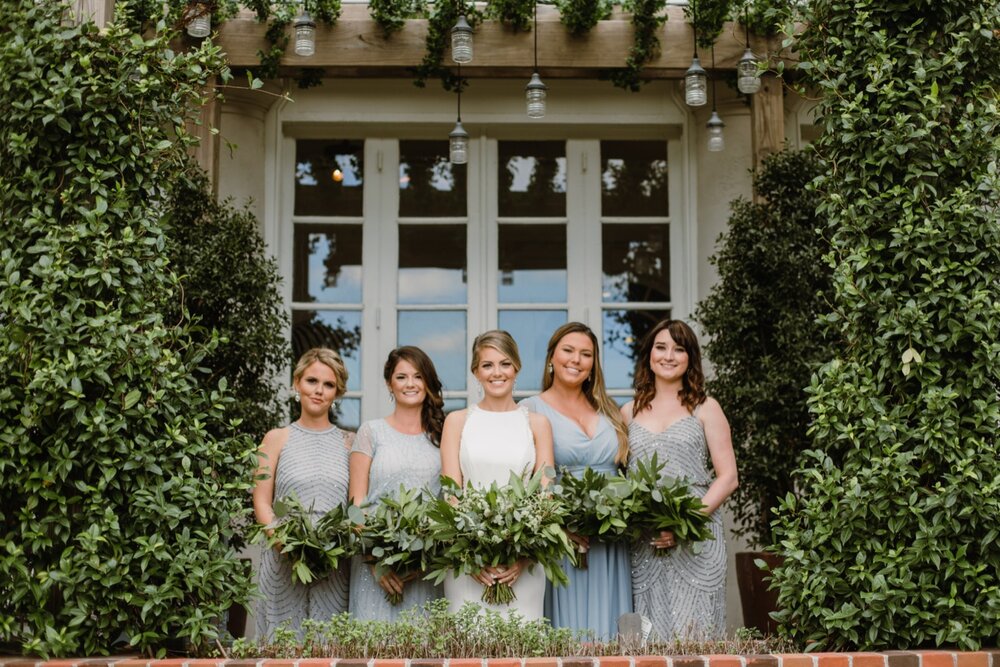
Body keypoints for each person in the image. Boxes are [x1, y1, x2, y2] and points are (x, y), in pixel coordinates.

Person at [620, 320, 738, 641]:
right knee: (648, 636)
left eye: (679, 349)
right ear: (648, 355)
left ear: (690, 358)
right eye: (661, 347)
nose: (668, 356)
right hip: (646, 540)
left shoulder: (705, 407)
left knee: (696, 634)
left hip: (697, 536)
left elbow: (727, 478)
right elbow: (619, 478)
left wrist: (683, 522)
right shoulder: (628, 412)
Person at [520, 322, 633, 639]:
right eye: (568, 350)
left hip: (612, 541)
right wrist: (558, 527)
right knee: (572, 636)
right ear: (551, 358)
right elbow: (524, 483)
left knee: (614, 635)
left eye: (586, 354)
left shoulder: (610, 411)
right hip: (565, 539)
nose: (576, 360)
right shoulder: (529, 409)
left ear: (593, 364)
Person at [439, 330, 555, 619]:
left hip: (523, 567)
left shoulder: (538, 424)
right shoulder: (457, 421)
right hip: (470, 565)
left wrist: (523, 556)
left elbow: (545, 497)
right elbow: (451, 494)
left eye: (504, 363)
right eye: (487, 365)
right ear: (476, 372)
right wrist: (472, 554)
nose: (497, 373)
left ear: (516, 367)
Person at [252, 347, 354, 638]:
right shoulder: (275, 439)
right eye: (312, 381)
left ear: (337, 393)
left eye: (328, 384)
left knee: (330, 645)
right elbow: (261, 500)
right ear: (297, 383)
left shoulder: (350, 442)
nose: (319, 390)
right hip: (282, 556)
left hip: (333, 563)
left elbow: (354, 505)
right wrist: (285, 543)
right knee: (282, 646)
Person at [347, 346, 445, 620]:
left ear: (428, 381)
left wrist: (422, 559)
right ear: (389, 383)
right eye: (402, 377)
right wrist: (375, 562)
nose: (410, 384)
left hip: (424, 567)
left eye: (418, 376)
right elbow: (355, 504)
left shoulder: (444, 435)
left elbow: (448, 502)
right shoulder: (371, 431)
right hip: (373, 567)